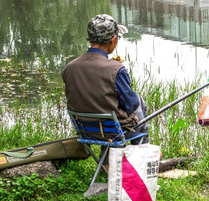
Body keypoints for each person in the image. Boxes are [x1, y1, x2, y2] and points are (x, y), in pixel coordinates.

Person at [62, 14, 148, 167]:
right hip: (113, 132)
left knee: (104, 107)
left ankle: (107, 161)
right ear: (113, 40)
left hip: (85, 130)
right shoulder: (116, 69)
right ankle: (141, 157)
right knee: (139, 102)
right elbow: (130, 105)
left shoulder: (70, 67)